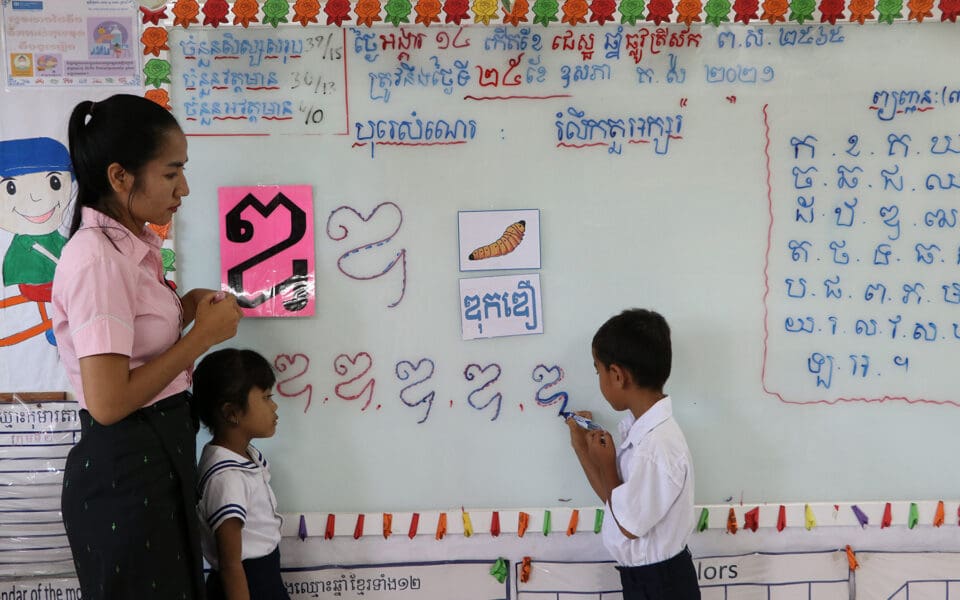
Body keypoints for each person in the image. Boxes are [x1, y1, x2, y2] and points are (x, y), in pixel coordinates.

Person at [51, 93, 243, 599]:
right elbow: (109, 401)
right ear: (120, 177)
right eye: (171, 172)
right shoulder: (98, 259)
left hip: (154, 459)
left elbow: (134, 343)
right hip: (126, 473)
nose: (184, 188)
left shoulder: (130, 247)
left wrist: (185, 309)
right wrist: (201, 338)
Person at [566, 308, 700, 600]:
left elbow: (628, 524)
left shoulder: (656, 446)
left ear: (617, 375)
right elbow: (616, 504)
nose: (599, 379)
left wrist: (607, 464)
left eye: (598, 371)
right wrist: (581, 447)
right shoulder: (640, 432)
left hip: (662, 585)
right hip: (648, 580)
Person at [192, 348, 289, 600]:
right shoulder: (228, 478)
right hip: (248, 583)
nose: (274, 406)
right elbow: (231, 565)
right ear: (231, 413)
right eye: (266, 397)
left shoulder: (243, 457)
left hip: (265, 576)